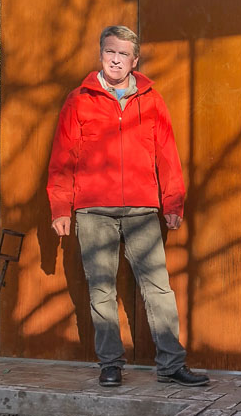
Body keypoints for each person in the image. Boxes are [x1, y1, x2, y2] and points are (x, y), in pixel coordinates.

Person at [47, 25, 209, 388]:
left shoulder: (151, 99)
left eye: (122, 54)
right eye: (109, 52)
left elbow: (166, 154)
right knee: (101, 289)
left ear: (134, 60)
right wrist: (60, 207)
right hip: (92, 210)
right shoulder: (79, 99)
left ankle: (171, 365)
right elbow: (62, 158)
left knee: (158, 288)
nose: (115, 59)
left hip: (141, 210)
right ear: (101, 55)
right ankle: (110, 364)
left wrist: (173, 201)